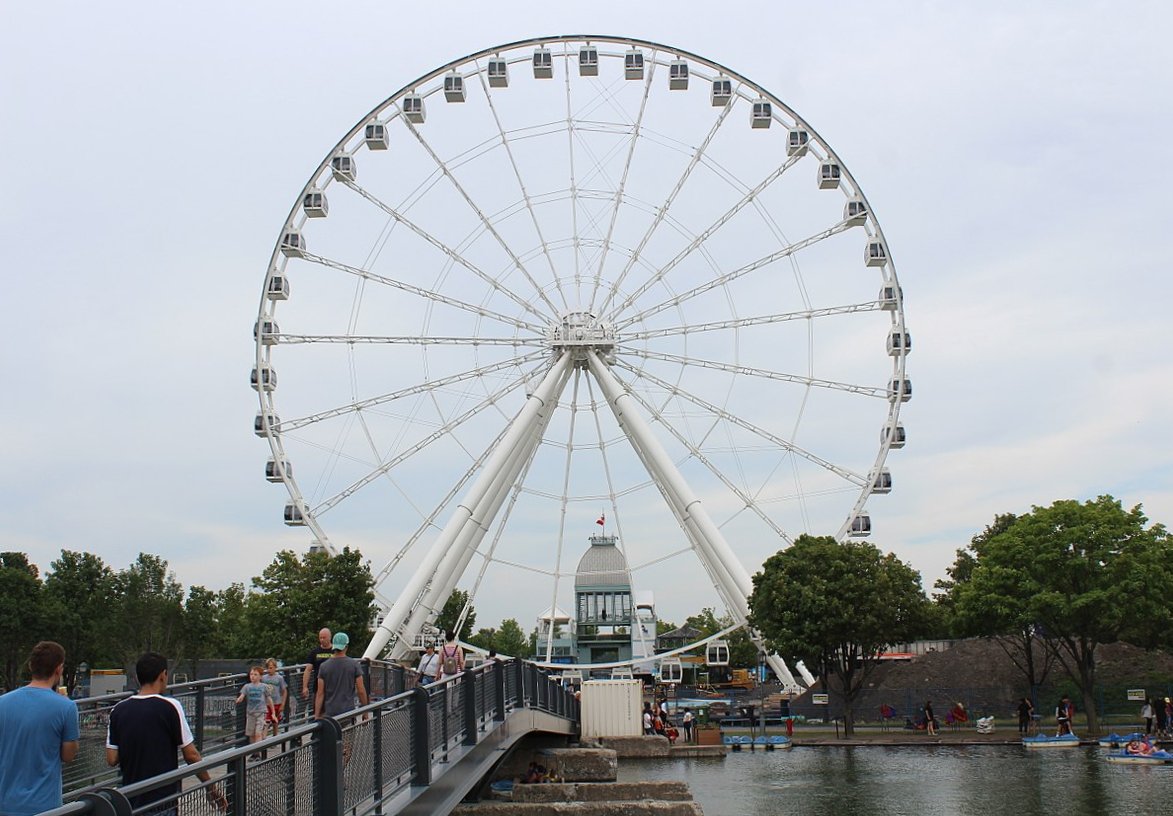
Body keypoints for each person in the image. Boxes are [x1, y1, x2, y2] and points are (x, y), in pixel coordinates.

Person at [106, 652, 226, 813]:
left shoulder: (118, 710)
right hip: (163, 799)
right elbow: (191, 755)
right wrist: (211, 788)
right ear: (163, 675)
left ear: (136, 677)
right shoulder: (170, 706)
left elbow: (112, 759)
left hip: (130, 799)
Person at [0, 641, 79, 816]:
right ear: (59, 669)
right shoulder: (66, 707)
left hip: (5, 804)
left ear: (30, 666)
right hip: (45, 807)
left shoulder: (2, 702)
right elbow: (68, 755)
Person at [315, 632, 369, 719]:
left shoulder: (323, 666)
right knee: (349, 732)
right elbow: (361, 690)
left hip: (330, 714)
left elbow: (320, 693)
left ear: (334, 646)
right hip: (348, 713)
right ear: (346, 646)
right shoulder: (354, 664)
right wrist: (365, 711)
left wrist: (317, 716)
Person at [236, 665, 276, 748]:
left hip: (261, 712)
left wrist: (273, 713)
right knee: (251, 734)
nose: (253, 676)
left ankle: (257, 752)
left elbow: (269, 699)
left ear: (260, 676)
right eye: (251, 674)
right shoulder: (247, 686)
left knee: (258, 733)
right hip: (250, 712)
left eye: (255, 674)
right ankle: (253, 751)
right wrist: (240, 698)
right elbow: (242, 695)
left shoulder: (263, 686)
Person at [302, 628, 334, 716]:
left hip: (333, 688)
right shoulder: (314, 652)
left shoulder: (335, 651)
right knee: (317, 711)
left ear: (330, 637)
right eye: (320, 638)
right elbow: (308, 670)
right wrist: (305, 686)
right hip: (317, 688)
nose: (322, 640)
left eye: (324, 637)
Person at [261, 658, 288, 737]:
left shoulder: (279, 678)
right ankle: (264, 739)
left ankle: (275, 736)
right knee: (266, 721)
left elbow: (284, 691)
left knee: (275, 721)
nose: (269, 670)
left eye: (271, 668)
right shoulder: (264, 678)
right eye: (268, 668)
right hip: (266, 703)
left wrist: (283, 704)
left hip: (276, 702)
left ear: (275, 668)